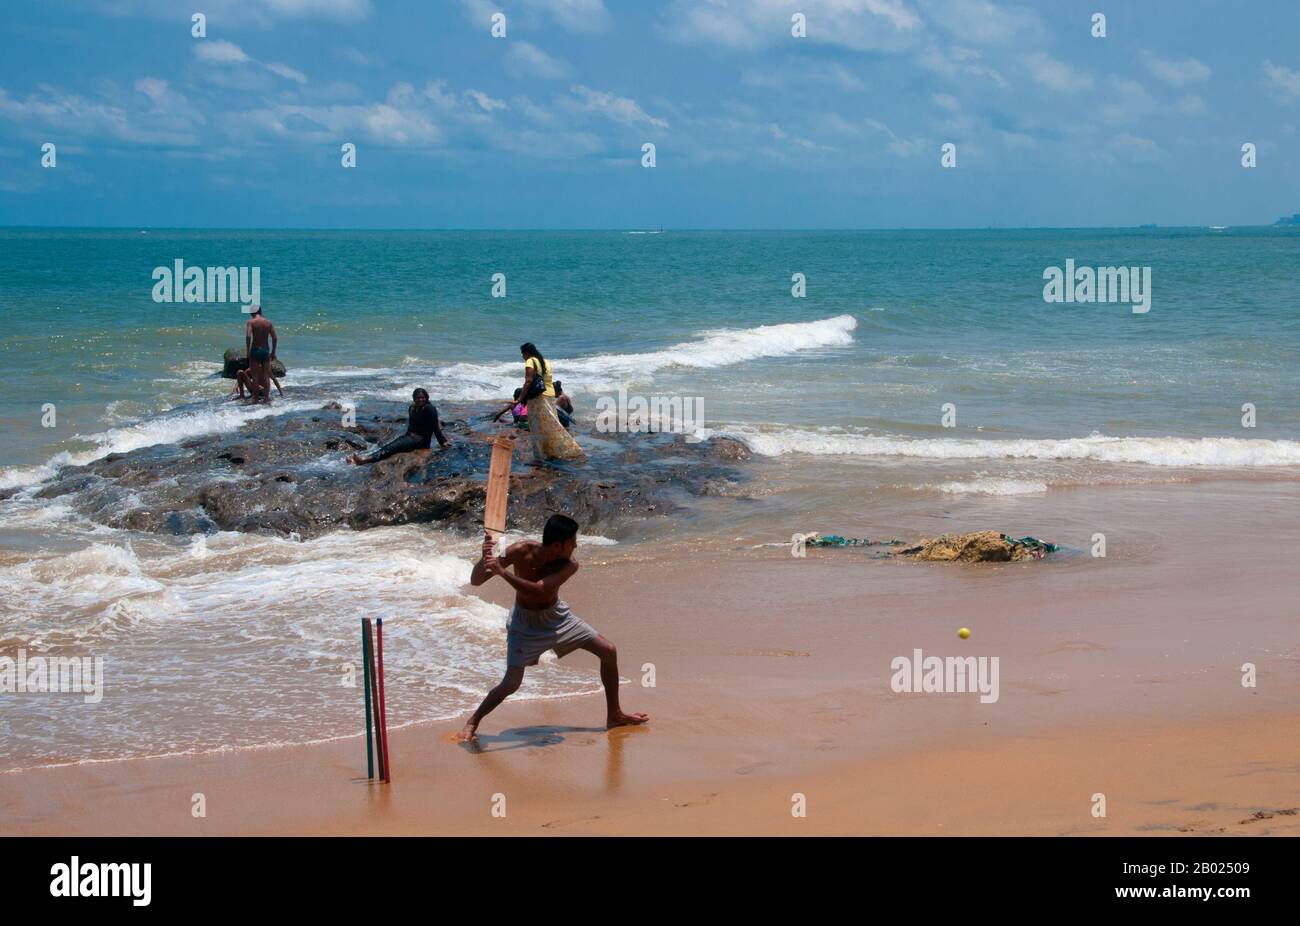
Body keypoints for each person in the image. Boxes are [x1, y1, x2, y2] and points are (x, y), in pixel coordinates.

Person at [457, 514, 648, 741]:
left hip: (557, 619)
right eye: (572, 541)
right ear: (558, 545)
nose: (576, 545)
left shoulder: (570, 564)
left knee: (608, 651)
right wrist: (484, 559)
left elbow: (539, 590)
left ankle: (614, 715)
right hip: (525, 624)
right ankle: (472, 722)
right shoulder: (519, 550)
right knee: (511, 683)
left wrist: (502, 572)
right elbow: (476, 580)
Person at [349, 388, 450, 465]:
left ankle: (365, 460)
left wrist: (442, 442)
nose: (420, 400)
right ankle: (364, 458)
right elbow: (412, 425)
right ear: (414, 398)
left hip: (420, 440)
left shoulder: (429, 408)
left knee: (391, 447)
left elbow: (435, 426)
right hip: (410, 437)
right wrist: (407, 436)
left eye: (422, 397)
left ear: (426, 397)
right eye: (418, 398)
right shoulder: (412, 408)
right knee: (392, 446)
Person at [518, 342, 582, 463]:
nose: (522, 356)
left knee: (538, 427)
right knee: (550, 425)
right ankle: (553, 451)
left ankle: (543, 455)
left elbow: (528, 381)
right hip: (549, 395)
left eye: (522, 353)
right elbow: (547, 380)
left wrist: (520, 398)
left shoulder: (530, 361)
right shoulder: (545, 362)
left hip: (537, 398)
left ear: (526, 352)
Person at [244, 306, 277, 404]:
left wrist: (247, 350)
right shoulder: (268, 322)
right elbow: (274, 338)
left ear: (251, 313)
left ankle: (256, 398)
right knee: (266, 375)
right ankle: (266, 398)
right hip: (265, 350)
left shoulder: (251, 322)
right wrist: (273, 352)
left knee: (255, 375)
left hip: (255, 350)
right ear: (261, 311)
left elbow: (248, 336)